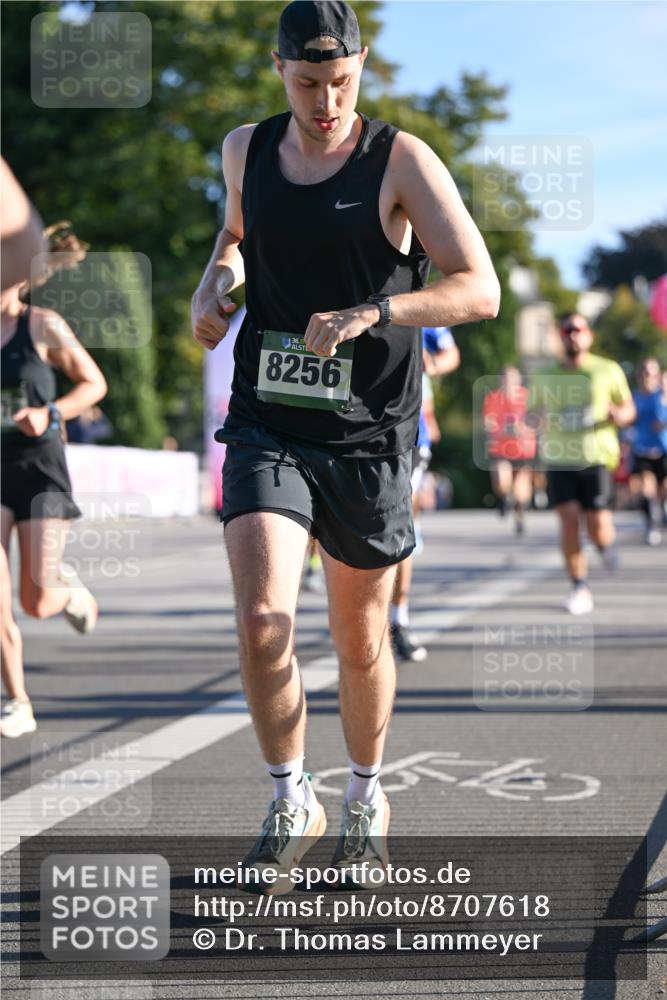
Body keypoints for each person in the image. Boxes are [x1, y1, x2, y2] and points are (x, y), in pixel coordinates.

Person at [191, 0, 499, 891]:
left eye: (341, 82)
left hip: (368, 431)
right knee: (261, 620)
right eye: (307, 83)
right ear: (278, 70)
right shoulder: (244, 149)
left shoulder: (399, 158)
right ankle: (292, 797)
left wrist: (376, 311)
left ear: (361, 66)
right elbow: (239, 235)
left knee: (359, 640)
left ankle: (365, 799)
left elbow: (477, 289)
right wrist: (218, 280)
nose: (326, 102)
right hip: (267, 419)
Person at [1, 224, 107, 738]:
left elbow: (94, 383)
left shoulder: (43, 326)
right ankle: (17, 700)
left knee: (36, 600)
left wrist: (50, 414)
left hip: (40, 470)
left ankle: (68, 593)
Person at [528, 312, 635, 615]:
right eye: (566, 330)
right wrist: (536, 419)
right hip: (560, 457)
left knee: (598, 524)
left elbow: (628, 408)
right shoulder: (546, 375)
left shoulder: (607, 370)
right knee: (569, 520)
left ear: (589, 335)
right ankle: (579, 585)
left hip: (597, 457)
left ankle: (605, 546)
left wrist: (620, 415)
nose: (572, 335)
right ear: (561, 337)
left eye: (578, 329)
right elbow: (530, 414)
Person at [390, 326, 459, 662]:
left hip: (409, 433)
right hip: (349, 427)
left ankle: (397, 621)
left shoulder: (422, 304)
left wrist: (429, 362)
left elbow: (451, 355)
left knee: (399, 522)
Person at [482, 365, 536, 535]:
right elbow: (487, 421)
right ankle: (503, 498)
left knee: (521, 491)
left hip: (523, 449)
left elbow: (537, 420)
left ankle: (520, 516)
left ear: (519, 380)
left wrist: (523, 428)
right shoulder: (493, 397)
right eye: (505, 378)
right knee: (501, 480)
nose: (509, 382)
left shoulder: (528, 398)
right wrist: (499, 429)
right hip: (501, 447)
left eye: (512, 378)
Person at [630, 357, 666, 545]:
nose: (647, 377)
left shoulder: (663, 395)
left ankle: (661, 509)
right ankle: (651, 524)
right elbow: (628, 421)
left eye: (651, 373)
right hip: (642, 449)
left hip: (664, 449)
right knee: (646, 487)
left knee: (664, 489)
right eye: (644, 372)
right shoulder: (634, 397)